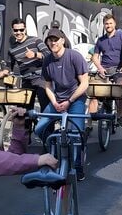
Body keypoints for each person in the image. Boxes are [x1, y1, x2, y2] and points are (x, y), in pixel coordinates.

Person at [35, 28, 89, 181]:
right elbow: (47, 85)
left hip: (75, 100)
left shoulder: (74, 57)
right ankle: (55, 153)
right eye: (50, 40)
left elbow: (84, 84)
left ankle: (78, 166)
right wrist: (54, 102)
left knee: (75, 135)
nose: (53, 42)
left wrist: (69, 101)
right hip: (57, 101)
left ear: (62, 40)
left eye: (56, 39)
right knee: (39, 128)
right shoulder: (47, 61)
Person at [91, 13, 122, 128]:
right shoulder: (101, 40)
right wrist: (100, 68)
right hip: (104, 70)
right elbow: (95, 57)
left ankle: (120, 116)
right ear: (104, 25)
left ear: (114, 24)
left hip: (118, 70)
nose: (108, 25)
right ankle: (89, 123)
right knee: (92, 90)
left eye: (110, 23)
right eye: (106, 24)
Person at [6, 18, 51, 112]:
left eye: (21, 30)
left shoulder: (35, 40)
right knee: (24, 111)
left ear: (25, 29)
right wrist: (4, 71)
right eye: (16, 30)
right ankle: (27, 125)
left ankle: (46, 126)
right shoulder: (12, 49)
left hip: (40, 78)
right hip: (26, 80)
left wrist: (35, 55)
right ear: (12, 30)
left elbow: (49, 55)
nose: (18, 32)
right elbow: (9, 65)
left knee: (45, 109)